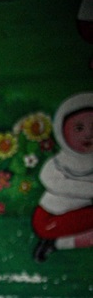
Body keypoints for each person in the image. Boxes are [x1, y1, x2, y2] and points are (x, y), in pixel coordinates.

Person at [31, 92, 93, 262]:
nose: (88, 135)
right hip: (49, 217)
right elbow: (54, 182)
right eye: (79, 128)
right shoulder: (57, 162)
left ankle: (56, 245)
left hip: (82, 216)